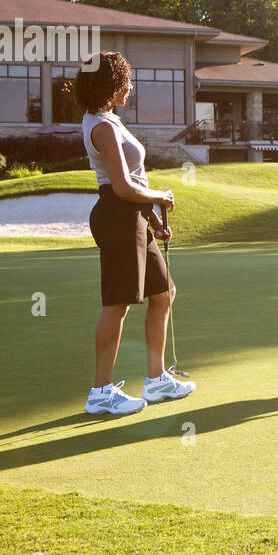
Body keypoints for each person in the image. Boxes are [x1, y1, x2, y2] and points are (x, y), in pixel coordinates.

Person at [78, 51, 196, 415]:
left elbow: (133, 184)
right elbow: (123, 187)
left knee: (163, 293)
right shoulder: (100, 126)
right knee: (118, 305)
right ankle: (100, 392)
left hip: (134, 217)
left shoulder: (111, 120)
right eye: (125, 81)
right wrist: (160, 196)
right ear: (110, 84)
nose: (130, 86)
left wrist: (154, 221)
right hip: (117, 217)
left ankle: (156, 380)